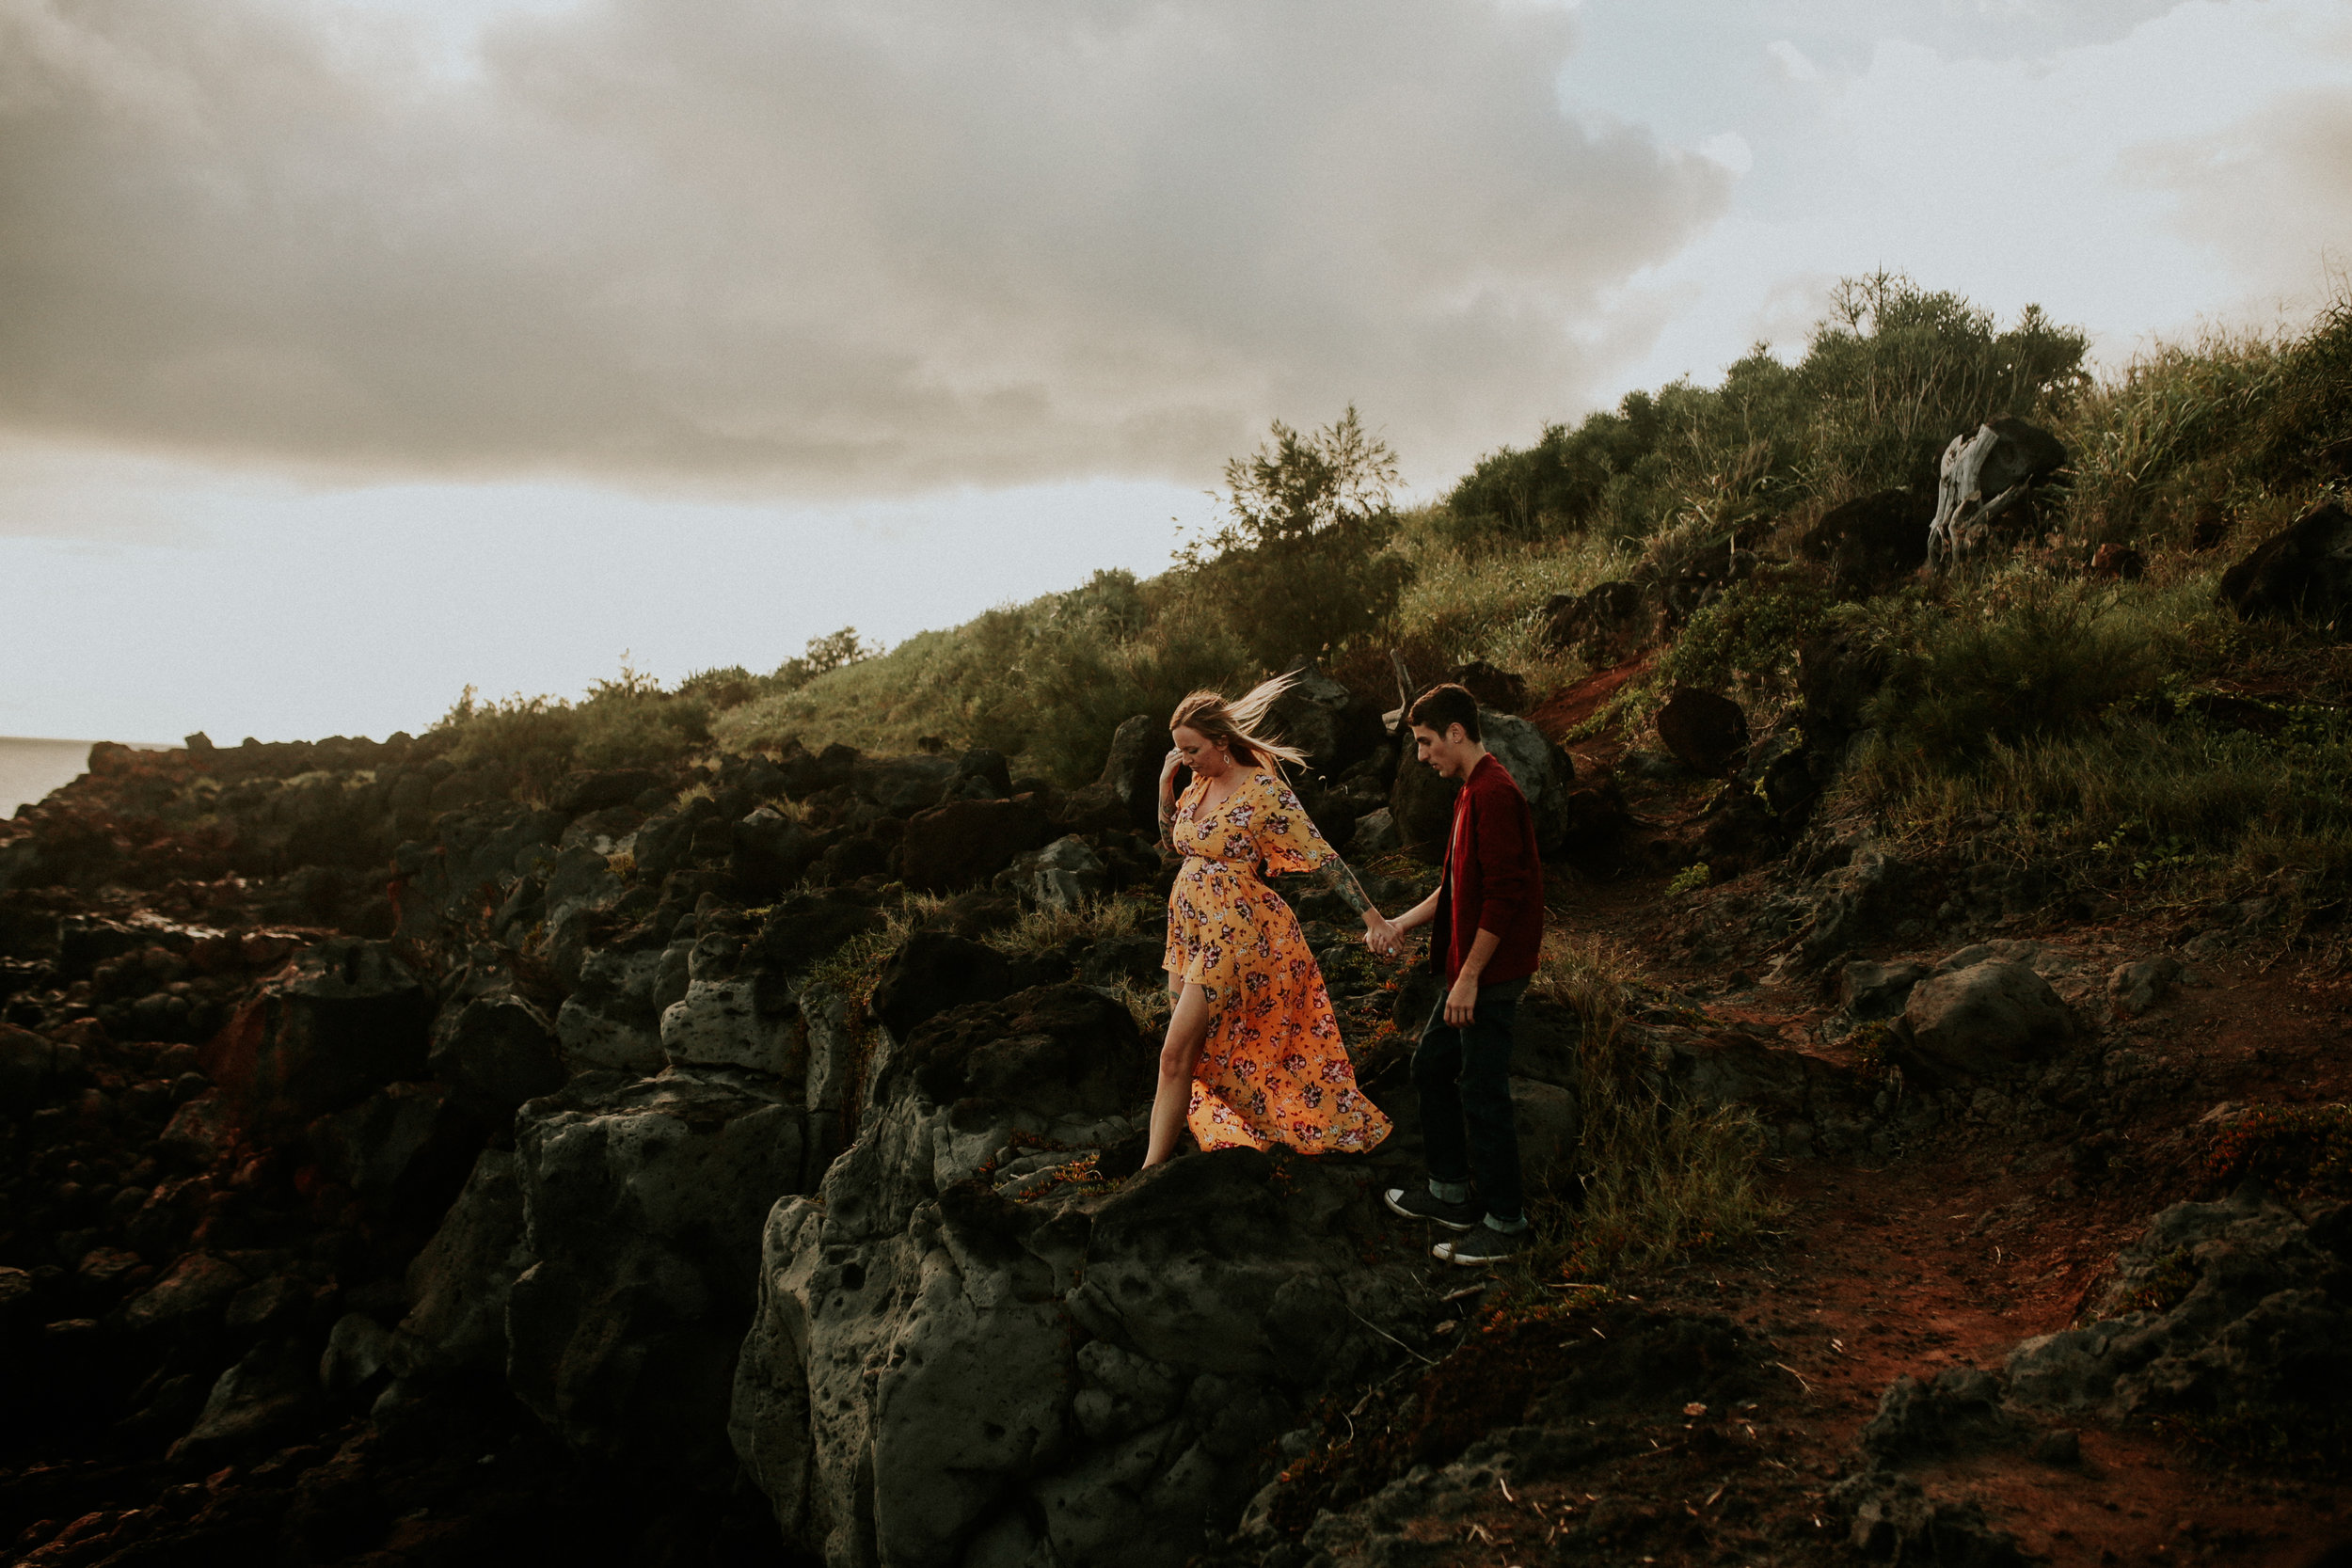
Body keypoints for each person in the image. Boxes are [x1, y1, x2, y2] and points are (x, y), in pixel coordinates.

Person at [1145, 676, 1396, 1167]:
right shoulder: (1195, 785)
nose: (1187, 758)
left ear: (1221, 741)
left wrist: (1374, 918)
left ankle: (1150, 1172)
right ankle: (1177, 1159)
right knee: (1189, 1056)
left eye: (1192, 749)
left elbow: (1321, 856)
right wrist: (1164, 784)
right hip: (1190, 932)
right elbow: (1170, 841)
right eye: (1179, 751)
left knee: (1175, 1055)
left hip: (1237, 932)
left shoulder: (1263, 790)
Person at [1374, 683, 1544, 1265]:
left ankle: (1505, 1224)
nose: (1421, 757)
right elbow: (1455, 886)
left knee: (1481, 1091)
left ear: (1455, 733)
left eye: (1424, 743)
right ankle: (1449, 1192)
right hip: (1465, 971)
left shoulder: (1495, 793)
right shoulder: (1470, 790)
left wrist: (1469, 978)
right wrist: (1399, 923)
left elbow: (1504, 895)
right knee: (1432, 1066)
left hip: (1489, 975)